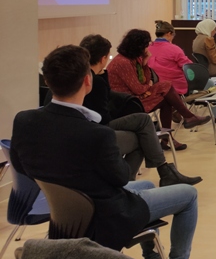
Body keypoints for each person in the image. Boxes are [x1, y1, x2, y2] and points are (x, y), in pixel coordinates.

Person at [11, 45, 209, 259]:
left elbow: (21, 166)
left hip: (64, 214)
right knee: (189, 195)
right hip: (105, 215)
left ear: (47, 81)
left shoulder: (24, 120)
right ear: (87, 81)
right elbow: (120, 177)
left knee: (147, 185)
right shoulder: (96, 134)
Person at [80, 34, 201, 187]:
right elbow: (136, 90)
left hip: (118, 109)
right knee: (144, 126)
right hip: (109, 118)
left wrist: (145, 64)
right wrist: (146, 88)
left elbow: (145, 82)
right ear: (103, 58)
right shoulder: (108, 71)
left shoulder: (91, 75)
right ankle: (148, 176)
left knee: (159, 106)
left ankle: (154, 173)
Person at [108, 29, 211, 134]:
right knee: (166, 86)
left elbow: (145, 80)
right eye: (146, 45)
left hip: (136, 97)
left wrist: (145, 62)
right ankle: (188, 117)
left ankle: (168, 137)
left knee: (166, 99)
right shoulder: (123, 62)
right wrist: (149, 85)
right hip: (126, 103)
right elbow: (139, 89)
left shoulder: (134, 59)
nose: (147, 48)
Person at [149, 20, 216, 123]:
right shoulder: (174, 49)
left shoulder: (148, 49)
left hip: (157, 87)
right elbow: (190, 67)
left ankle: (177, 108)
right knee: (209, 82)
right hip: (176, 86)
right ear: (169, 33)